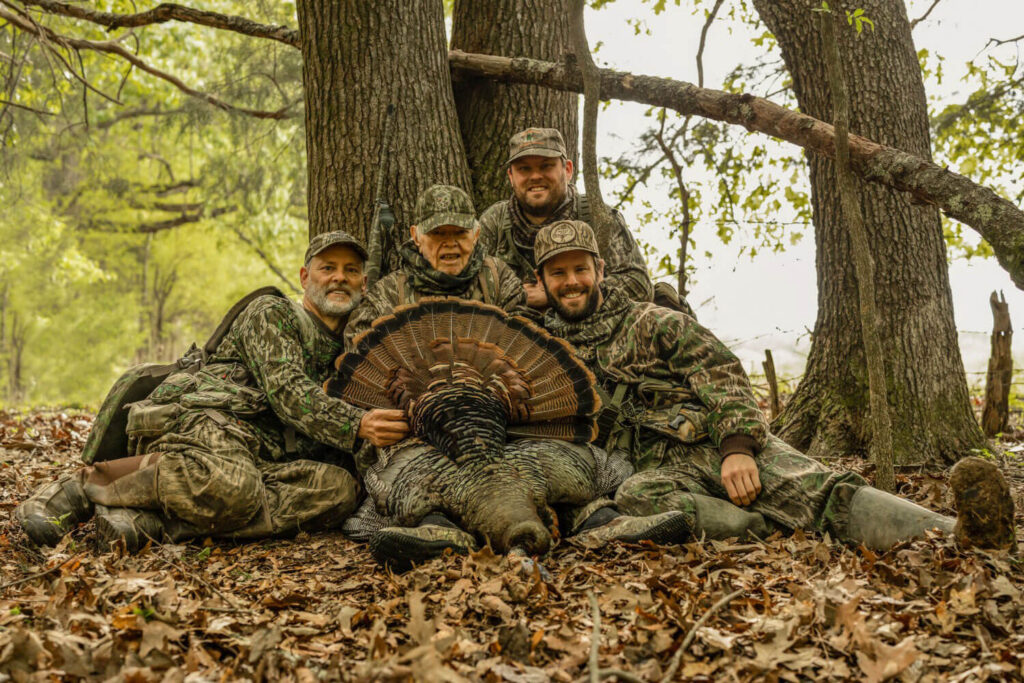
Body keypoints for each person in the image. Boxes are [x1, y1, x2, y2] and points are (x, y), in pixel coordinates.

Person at [532, 219, 1016, 551]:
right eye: (559, 272)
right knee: (638, 499)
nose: (572, 281)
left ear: (599, 270)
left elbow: (723, 376)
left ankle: (962, 534)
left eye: (580, 268)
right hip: (651, 471)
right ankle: (756, 527)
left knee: (823, 492)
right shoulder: (541, 351)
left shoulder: (653, 322)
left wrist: (737, 448)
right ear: (543, 281)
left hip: (709, 442)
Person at [17, 231, 410, 551]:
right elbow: (289, 393)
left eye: (350, 270)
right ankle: (83, 487)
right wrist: (358, 423)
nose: (339, 277)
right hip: (204, 420)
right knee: (236, 487)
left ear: (363, 282)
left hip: (259, 452)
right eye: (328, 268)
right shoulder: (272, 314)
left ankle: (150, 524)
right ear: (306, 277)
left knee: (338, 491)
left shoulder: (353, 345)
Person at [477, 127, 654, 315]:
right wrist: (519, 296)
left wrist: (555, 294)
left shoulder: (597, 216)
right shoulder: (494, 221)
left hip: (590, 336)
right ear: (511, 177)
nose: (535, 176)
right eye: (524, 169)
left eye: (546, 166)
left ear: (567, 170)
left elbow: (639, 286)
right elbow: (472, 287)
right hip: (512, 338)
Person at [344, 184, 525, 348]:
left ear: (476, 235)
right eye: (438, 233)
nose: (450, 243)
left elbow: (524, 343)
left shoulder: (498, 279)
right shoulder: (388, 294)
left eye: (460, 233)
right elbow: (358, 350)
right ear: (416, 237)